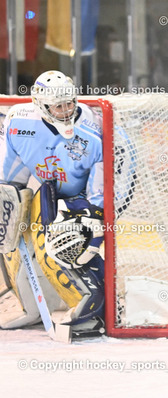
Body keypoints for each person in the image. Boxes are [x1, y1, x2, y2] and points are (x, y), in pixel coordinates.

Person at [0, 70, 105, 335]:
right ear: (42, 106)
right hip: (48, 192)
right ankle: (33, 308)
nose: (67, 110)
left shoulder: (93, 128)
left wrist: (94, 209)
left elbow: (106, 177)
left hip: (83, 199)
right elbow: (12, 177)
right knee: (10, 232)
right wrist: (7, 199)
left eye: (70, 103)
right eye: (59, 106)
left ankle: (92, 308)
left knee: (66, 235)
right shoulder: (18, 122)